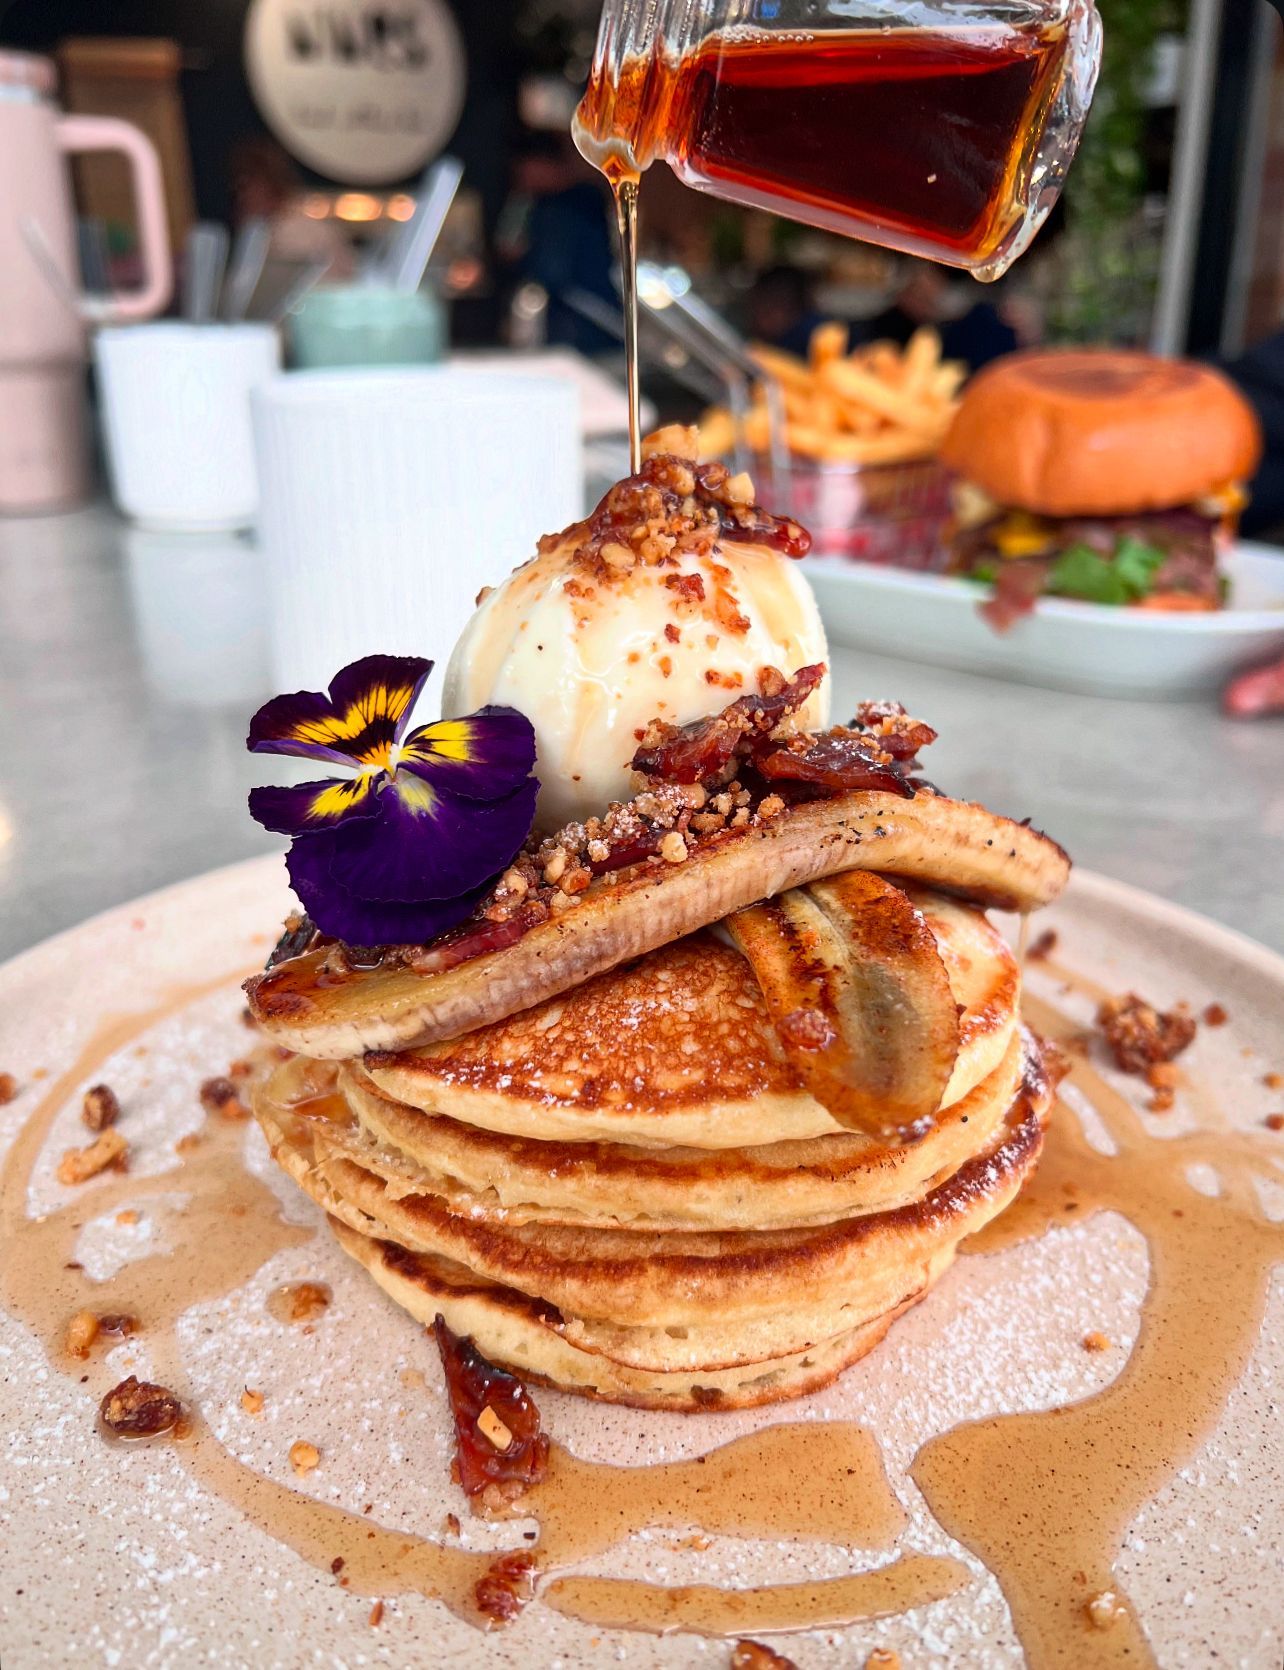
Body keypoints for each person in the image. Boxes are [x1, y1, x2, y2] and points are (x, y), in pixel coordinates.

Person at [228, 136, 354, 280]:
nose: (240, 195)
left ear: (268, 184)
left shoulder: (293, 233)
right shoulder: (270, 228)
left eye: (245, 184)